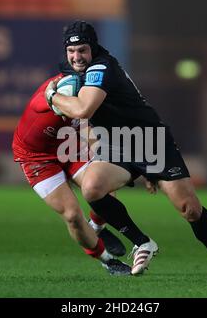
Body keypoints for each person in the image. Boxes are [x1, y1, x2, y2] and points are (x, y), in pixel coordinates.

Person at [44, 20, 207, 282]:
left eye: (82, 50)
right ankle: (142, 242)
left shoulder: (102, 67)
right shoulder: (71, 70)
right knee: (92, 188)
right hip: (117, 144)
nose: (76, 57)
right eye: (71, 52)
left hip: (150, 141)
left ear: (92, 48)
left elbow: (83, 110)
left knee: (190, 209)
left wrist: (52, 97)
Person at [12, 73, 154, 275]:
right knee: (72, 216)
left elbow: (85, 125)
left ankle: (95, 228)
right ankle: (108, 261)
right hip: (36, 158)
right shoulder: (44, 102)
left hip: (67, 143)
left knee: (102, 186)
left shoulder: (81, 88)